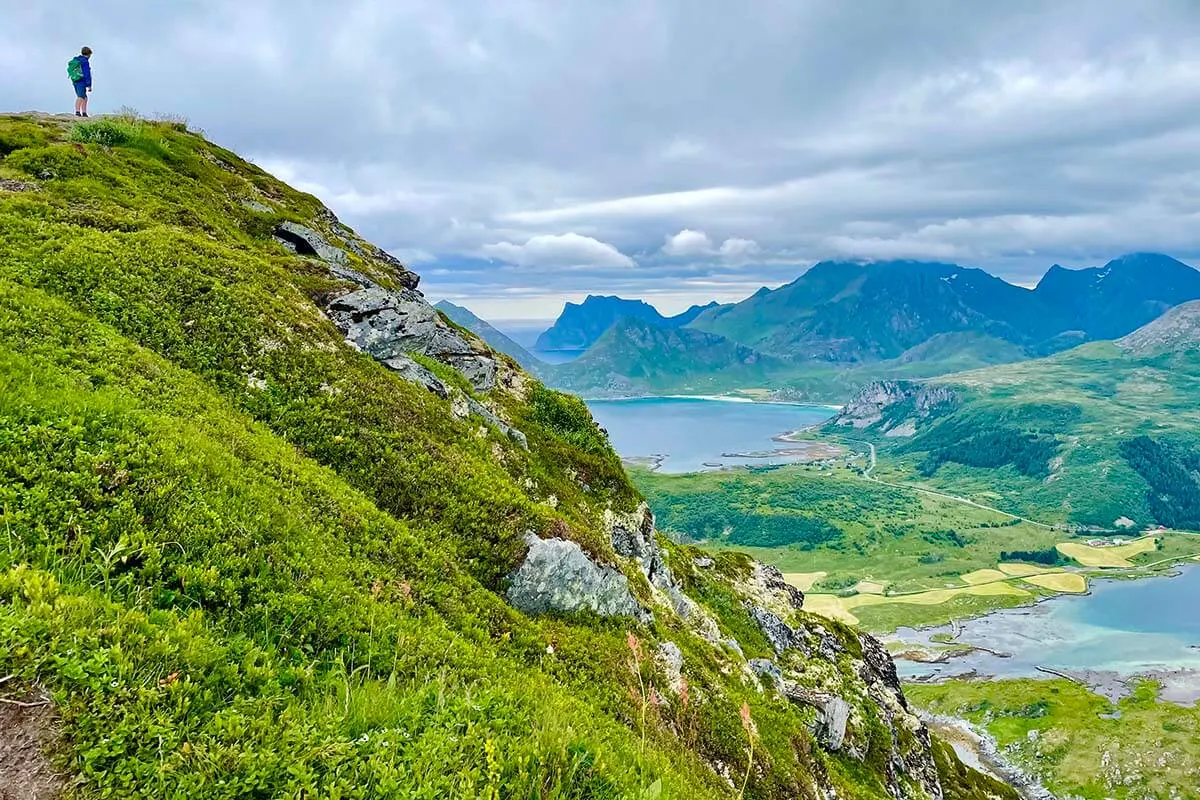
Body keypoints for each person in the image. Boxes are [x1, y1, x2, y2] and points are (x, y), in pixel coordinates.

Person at [68, 47, 93, 117]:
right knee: (81, 96)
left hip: (75, 80)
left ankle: (84, 112)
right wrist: (89, 85)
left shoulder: (77, 59)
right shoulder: (85, 61)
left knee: (84, 97)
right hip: (81, 81)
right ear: (89, 54)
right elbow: (87, 73)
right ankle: (77, 112)